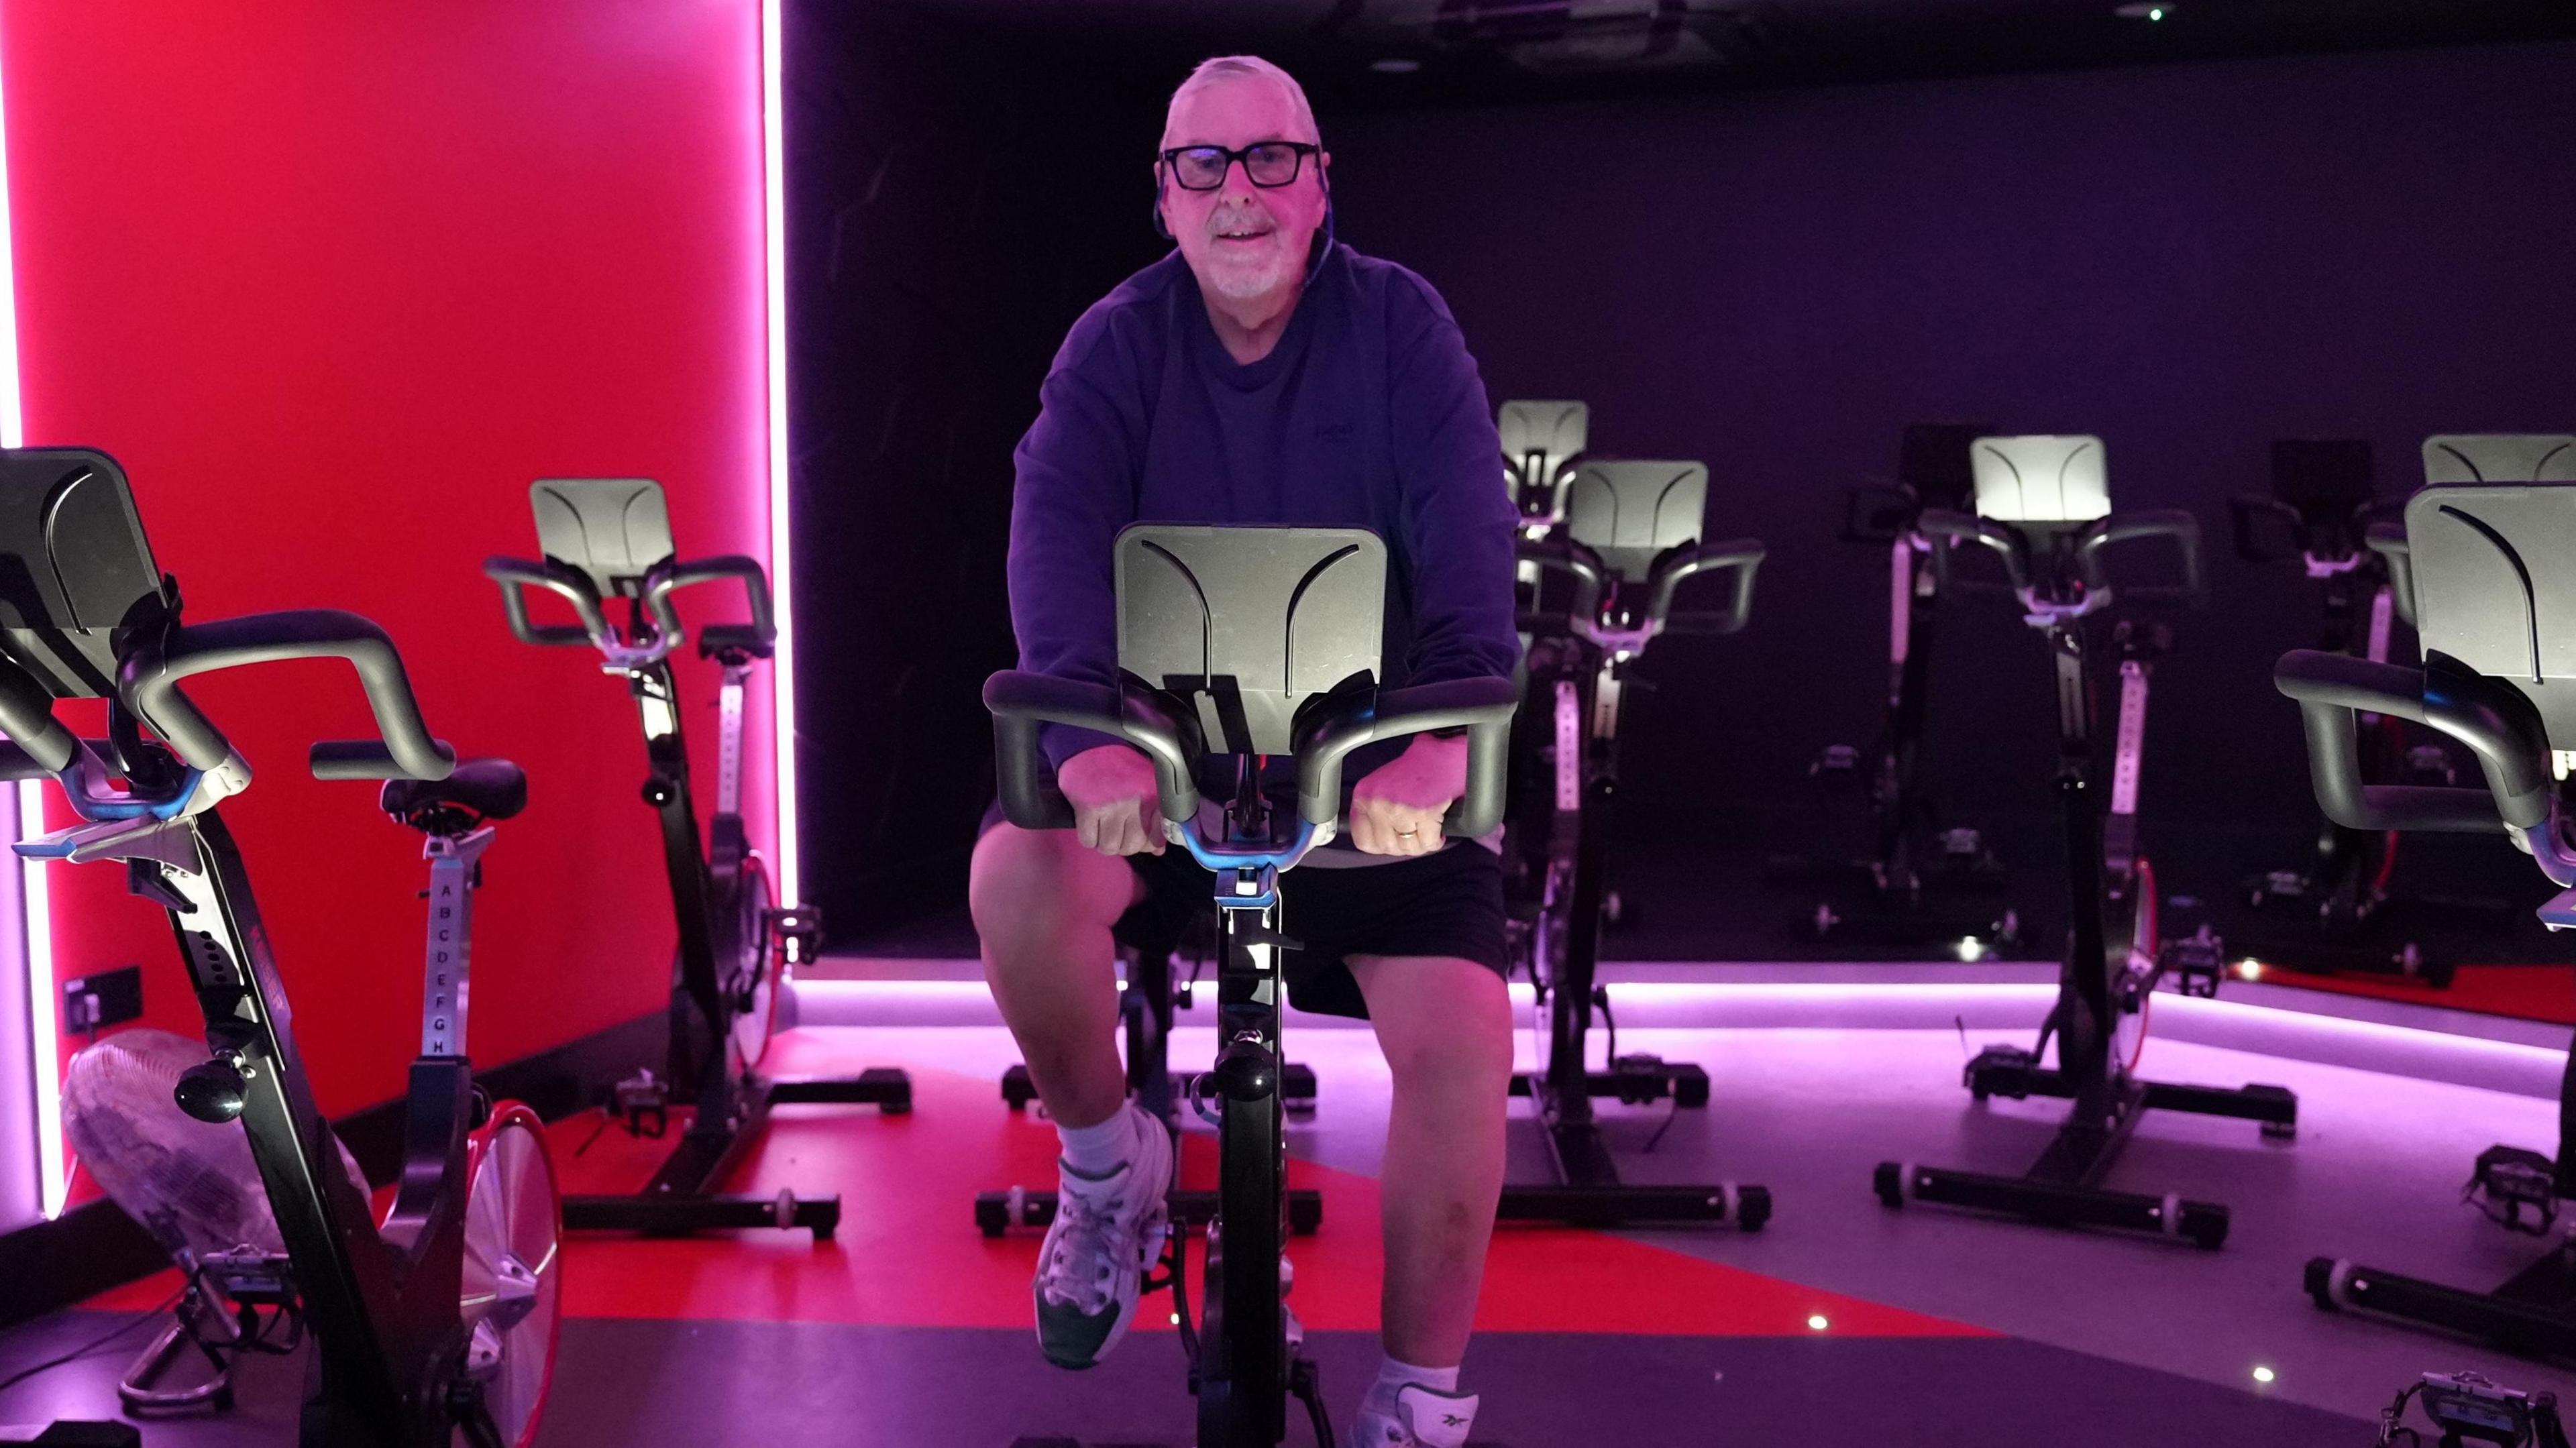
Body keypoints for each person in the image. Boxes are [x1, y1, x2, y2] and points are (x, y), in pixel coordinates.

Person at [968, 52, 1521, 1448]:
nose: (1236, 194)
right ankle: (1108, 1171)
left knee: (1462, 1046)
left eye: (1268, 159)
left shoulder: (1402, 330)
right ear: (1164, 198)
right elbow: (1054, 535)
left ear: (1319, 179)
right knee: (1017, 881)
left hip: (1368, 793)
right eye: (1201, 166)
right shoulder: (1113, 344)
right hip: (1169, 796)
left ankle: (1418, 1400)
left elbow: (1469, 549)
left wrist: (1443, 740)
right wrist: (1091, 735)